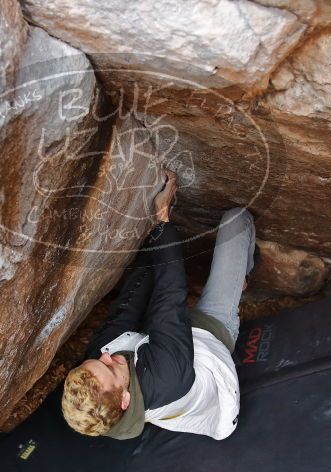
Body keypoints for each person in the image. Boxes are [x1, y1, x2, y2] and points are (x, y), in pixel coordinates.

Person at [61, 167, 257, 440]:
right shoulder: (165, 377)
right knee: (236, 220)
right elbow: (169, 296)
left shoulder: (100, 375)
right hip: (212, 334)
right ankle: (243, 275)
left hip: (171, 336)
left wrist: (148, 238)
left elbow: (126, 306)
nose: (103, 355)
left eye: (95, 360)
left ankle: (231, 281)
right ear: (125, 400)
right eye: (108, 366)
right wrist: (162, 219)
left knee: (159, 297)